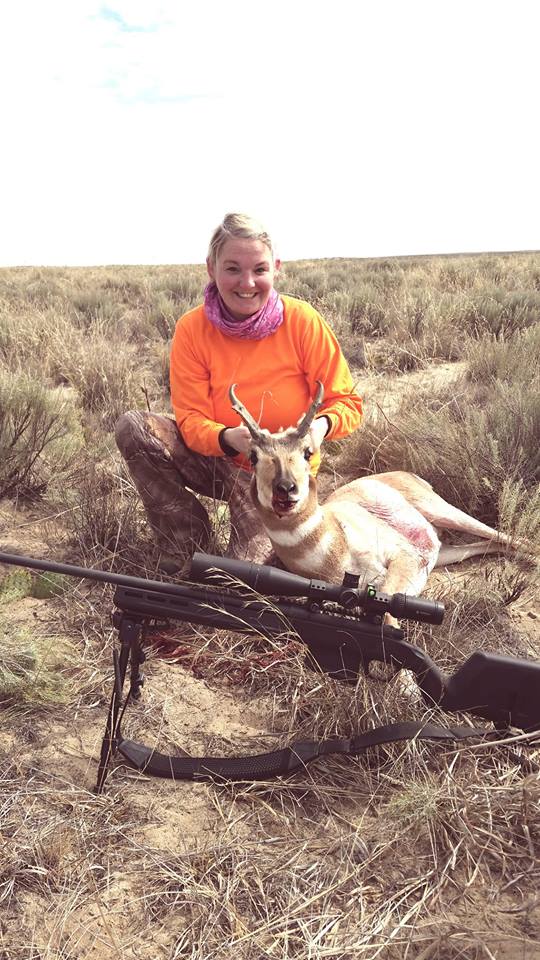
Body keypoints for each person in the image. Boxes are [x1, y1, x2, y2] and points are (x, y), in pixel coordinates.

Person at [115, 213, 363, 574]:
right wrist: (228, 438)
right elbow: (191, 419)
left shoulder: (303, 321)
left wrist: (319, 429)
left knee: (240, 576)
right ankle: (184, 541)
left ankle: (240, 552)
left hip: (279, 477)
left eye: (259, 270)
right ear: (211, 269)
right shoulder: (192, 329)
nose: (247, 283)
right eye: (232, 269)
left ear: (276, 269)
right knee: (133, 427)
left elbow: (348, 403)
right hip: (220, 457)